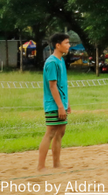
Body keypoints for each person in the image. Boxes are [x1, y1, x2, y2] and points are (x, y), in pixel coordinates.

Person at [38, 33, 71, 172]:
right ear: (58, 45)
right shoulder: (52, 63)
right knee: (50, 133)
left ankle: (56, 163)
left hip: (61, 103)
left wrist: (66, 103)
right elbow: (52, 86)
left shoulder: (60, 61)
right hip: (53, 104)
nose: (69, 45)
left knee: (60, 132)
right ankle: (41, 166)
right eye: (66, 43)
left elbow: (62, 85)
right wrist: (59, 106)